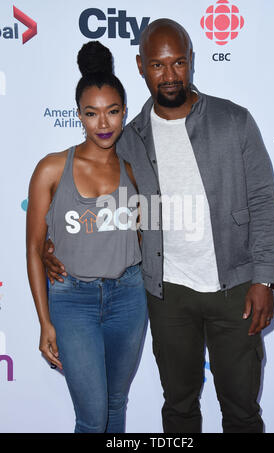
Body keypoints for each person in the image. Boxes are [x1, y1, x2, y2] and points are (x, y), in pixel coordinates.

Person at [44, 19, 274, 433]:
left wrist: (263, 278)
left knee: (242, 410)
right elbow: (95, 200)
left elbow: (263, 200)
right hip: (167, 295)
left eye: (179, 63)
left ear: (191, 63)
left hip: (236, 290)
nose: (170, 75)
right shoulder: (128, 138)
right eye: (157, 65)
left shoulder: (234, 120)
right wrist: (54, 247)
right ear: (140, 66)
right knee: (178, 408)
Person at [26, 41, 147, 433]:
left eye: (112, 112)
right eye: (92, 114)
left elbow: (148, 235)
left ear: (124, 112)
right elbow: (32, 248)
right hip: (72, 300)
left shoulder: (134, 169)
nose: (103, 123)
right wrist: (45, 323)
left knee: (116, 404)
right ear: (78, 115)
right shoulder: (50, 169)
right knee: (92, 418)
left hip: (129, 298)